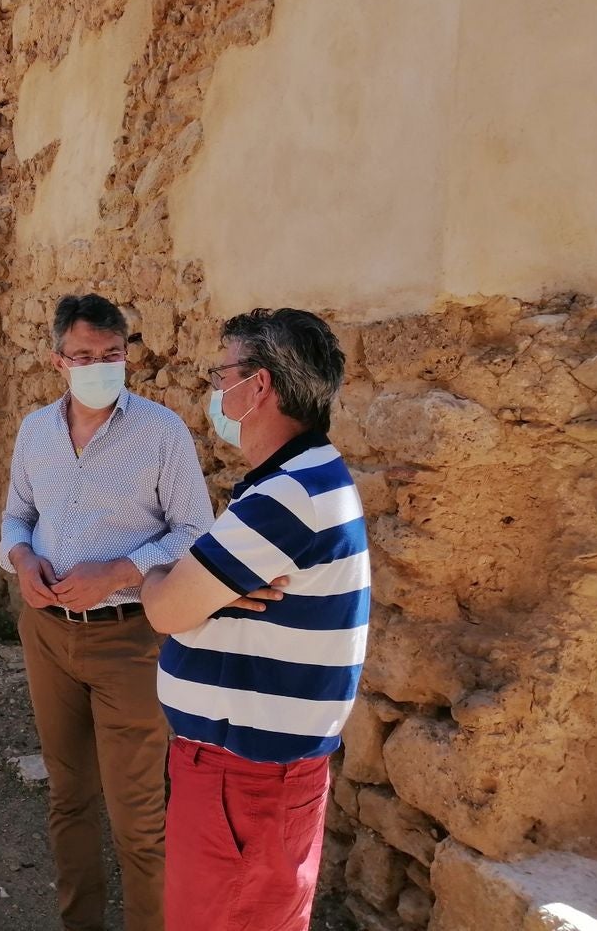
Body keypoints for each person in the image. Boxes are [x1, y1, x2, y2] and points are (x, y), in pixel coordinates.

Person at [142, 308, 370, 931]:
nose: (216, 392)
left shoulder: (286, 497)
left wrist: (156, 576)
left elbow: (165, 608)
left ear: (260, 386)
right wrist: (200, 584)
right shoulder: (306, 479)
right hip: (252, 782)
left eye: (222, 375)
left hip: (239, 785)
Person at [0, 294, 217, 931]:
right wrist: (21, 558)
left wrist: (117, 572)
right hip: (47, 637)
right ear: (57, 361)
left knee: (139, 818)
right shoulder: (36, 431)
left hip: (131, 640)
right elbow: (18, 515)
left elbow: (195, 533)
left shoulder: (161, 431)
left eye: (112, 355)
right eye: (84, 355)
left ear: (127, 356)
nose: (100, 365)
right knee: (68, 798)